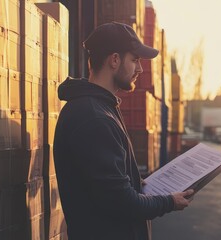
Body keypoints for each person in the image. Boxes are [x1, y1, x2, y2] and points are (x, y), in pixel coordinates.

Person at [53, 22, 194, 240]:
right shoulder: (93, 117)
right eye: (135, 60)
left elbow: (108, 184)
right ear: (115, 60)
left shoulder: (101, 108)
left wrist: (139, 184)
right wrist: (169, 202)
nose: (140, 69)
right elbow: (119, 201)